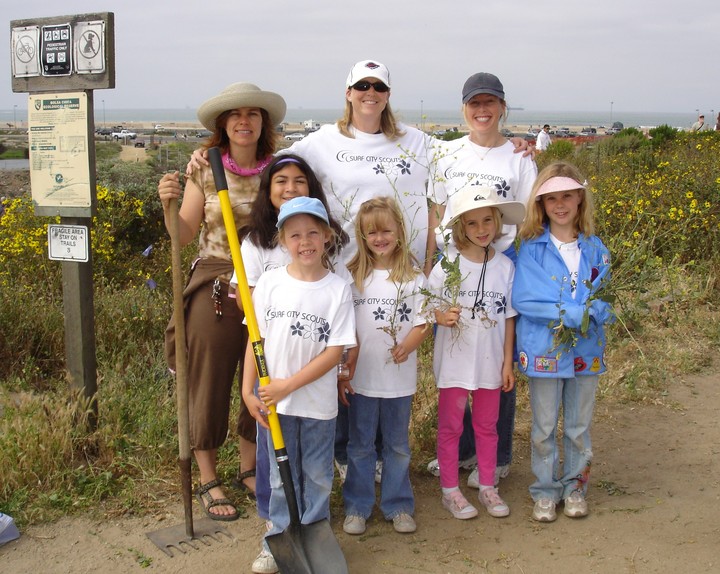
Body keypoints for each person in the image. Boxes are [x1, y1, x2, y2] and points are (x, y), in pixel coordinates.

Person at [157, 82, 286, 520]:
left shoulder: (277, 171)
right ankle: (208, 476)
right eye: (235, 115)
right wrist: (167, 205)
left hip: (267, 284)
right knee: (210, 379)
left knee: (260, 376)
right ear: (223, 124)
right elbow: (184, 234)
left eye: (253, 114)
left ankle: (248, 467)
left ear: (263, 123)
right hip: (216, 280)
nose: (244, 121)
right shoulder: (205, 169)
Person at [227, 154, 348, 572]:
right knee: (278, 477)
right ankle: (276, 537)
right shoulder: (271, 285)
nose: (305, 241)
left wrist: (287, 385)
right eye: (295, 235)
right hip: (273, 405)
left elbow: (335, 352)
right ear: (282, 240)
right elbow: (254, 339)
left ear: (327, 236)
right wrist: (248, 390)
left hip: (315, 405)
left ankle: (314, 534)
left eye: (313, 232)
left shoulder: (337, 289)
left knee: (315, 475)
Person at [426, 72, 537, 488]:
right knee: (458, 360)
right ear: (464, 109)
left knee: (495, 362)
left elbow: (527, 217)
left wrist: (511, 260)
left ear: (503, 107)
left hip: (502, 257)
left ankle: (499, 454)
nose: (482, 110)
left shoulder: (519, 157)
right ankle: (464, 448)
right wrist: (431, 263)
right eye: (475, 104)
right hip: (454, 263)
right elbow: (436, 212)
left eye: (490, 103)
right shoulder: (447, 154)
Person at [513, 161, 613, 522]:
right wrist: (578, 314)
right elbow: (527, 299)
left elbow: (606, 296)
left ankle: (575, 488)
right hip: (545, 351)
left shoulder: (596, 249)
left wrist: (602, 310)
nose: (560, 204)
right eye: (551, 197)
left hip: (586, 350)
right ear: (540, 203)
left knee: (578, 427)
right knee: (542, 428)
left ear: (580, 199)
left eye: (567, 196)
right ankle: (544, 491)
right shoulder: (531, 249)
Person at [427, 185, 525, 520]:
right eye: (472, 223)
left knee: (487, 425)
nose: (481, 229)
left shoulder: (505, 268)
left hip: (491, 362)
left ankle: (487, 485)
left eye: (487, 220)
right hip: (454, 362)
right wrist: (442, 316)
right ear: (459, 228)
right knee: (451, 426)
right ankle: (450, 490)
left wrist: (507, 362)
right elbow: (427, 309)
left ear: (498, 222)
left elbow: (510, 318)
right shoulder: (447, 265)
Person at [341, 197, 430, 536]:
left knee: (396, 445)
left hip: (398, 380)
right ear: (362, 237)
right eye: (371, 233)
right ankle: (357, 506)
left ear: (399, 232)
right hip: (362, 380)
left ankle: (398, 504)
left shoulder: (412, 277)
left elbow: (423, 322)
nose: (379, 238)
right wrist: (344, 370)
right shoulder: (352, 277)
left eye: (386, 231)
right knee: (360, 446)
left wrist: (408, 345)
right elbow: (343, 329)